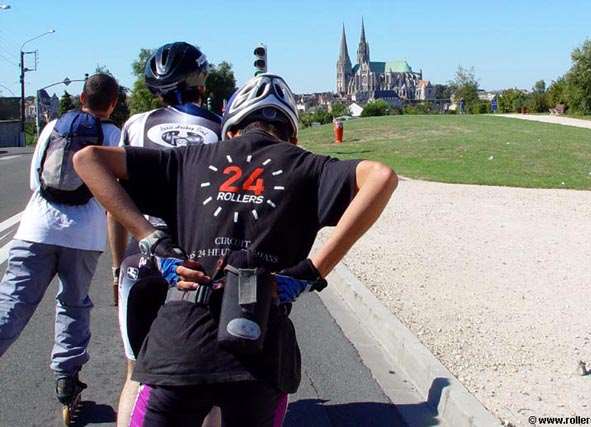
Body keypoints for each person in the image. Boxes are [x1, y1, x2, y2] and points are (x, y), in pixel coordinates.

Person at [74, 72, 398, 426]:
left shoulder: (188, 159)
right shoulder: (309, 166)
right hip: (260, 349)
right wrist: (310, 272)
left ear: (230, 129)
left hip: (180, 344)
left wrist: (154, 241)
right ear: (292, 134)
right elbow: (381, 176)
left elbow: (88, 160)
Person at [108, 42, 224, 427]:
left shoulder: (135, 125)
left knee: (135, 375)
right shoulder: (219, 128)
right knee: (207, 386)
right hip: (196, 266)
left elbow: (116, 203)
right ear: (201, 84)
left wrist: (115, 265)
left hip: (142, 260)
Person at [0, 73, 120, 404]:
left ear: (82, 98)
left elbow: (35, 180)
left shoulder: (54, 127)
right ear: (112, 104)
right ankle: (67, 378)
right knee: (73, 304)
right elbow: (114, 190)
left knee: (13, 303)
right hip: (85, 237)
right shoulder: (112, 134)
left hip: (36, 229)